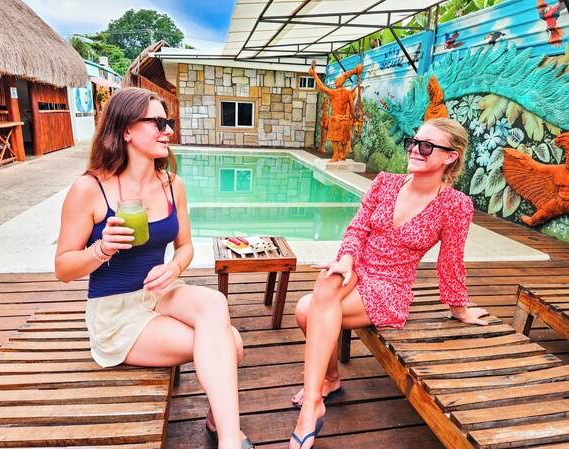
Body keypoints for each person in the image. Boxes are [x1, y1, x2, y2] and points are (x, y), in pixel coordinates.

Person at [55, 87, 254, 449]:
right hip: (116, 312)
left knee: (215, 303)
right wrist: (101, 249)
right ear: (126, 130)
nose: (169, 131)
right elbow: (63, 268)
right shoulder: (89, 188)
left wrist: (175, 268)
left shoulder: (172, 185)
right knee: (232, 343)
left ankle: (224, 433)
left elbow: (185, 247)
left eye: (169, 122)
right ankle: (227, 436)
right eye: (158, 123)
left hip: (159, 293)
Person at [288, 118, 489, 449]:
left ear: (450, 157)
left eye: (426, 146)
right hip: (357, 269)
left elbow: (450, 260)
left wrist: (460, 309)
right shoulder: (385, 182)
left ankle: (318, 397)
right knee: (327, 282)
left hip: (390, 286)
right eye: (413, 142)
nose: (415, 150)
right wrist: (347, 260)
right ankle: (321, 392)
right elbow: (357, 228)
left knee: (305, 310)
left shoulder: (455, 205)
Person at [308, 61, 362, 162]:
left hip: (336, 119)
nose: (335, 83)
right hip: (345, 119)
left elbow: (321, 87)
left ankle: (336, 155)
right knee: (344, 138)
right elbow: (351, 108)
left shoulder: (333, 93)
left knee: (334, 138)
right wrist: (353, 119)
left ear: (338, 83)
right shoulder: (348, 93)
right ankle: (343, 154)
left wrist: (314, 74)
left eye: (336, 82)